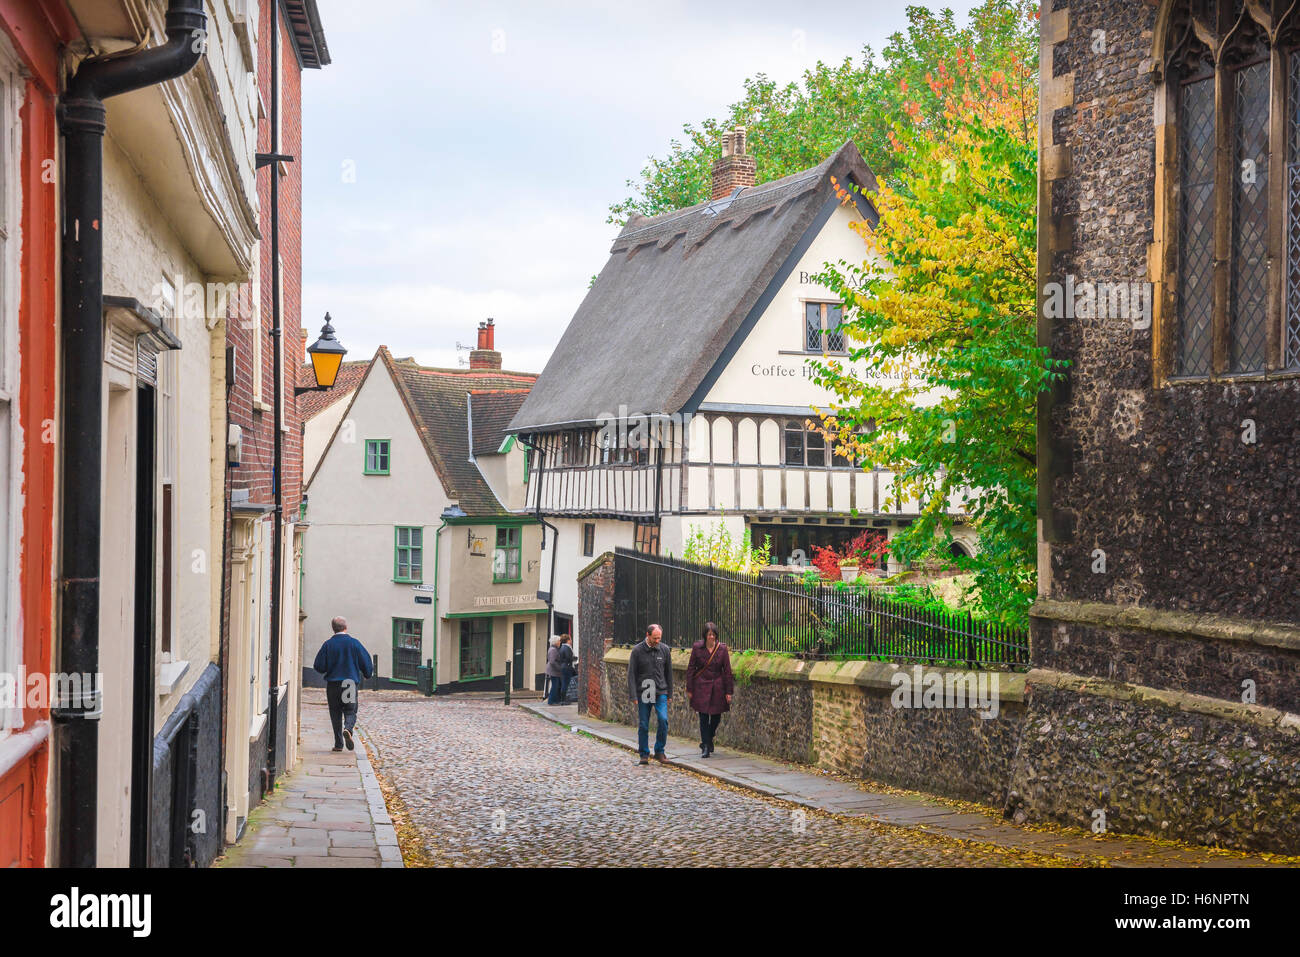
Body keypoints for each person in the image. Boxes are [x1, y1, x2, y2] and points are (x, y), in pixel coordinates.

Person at [312, 617, 373, 752]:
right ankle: (348, 729)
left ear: (333, 628)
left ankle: (338, 744)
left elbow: (318, 665)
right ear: (346, 627)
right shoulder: (354, 644)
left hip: (333, 684)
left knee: (335, 713)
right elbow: (366, 662)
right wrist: (368, 673)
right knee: (350, 711)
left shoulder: (328, 644)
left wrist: (328, 668)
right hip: (349, 683)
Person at [685, 621, 734, 758]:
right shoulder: (697, 648)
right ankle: (705, 746)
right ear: (705, 635)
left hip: (718, 687)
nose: (711, 637)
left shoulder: (722, 649)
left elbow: (727, 671)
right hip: (701, 686)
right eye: (709, 634)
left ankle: (709, 737)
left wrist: (728, 691)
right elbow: (691, 669)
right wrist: (690, 688)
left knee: (716, 717)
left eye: (713, 635)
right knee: (703, 717)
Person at [627, 623, 672, 766]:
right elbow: (631, 674)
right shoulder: (637, 651)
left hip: (660, 691)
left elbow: (669, 673)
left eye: (659, 638)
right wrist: (633, 695)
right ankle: (644, 754)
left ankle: (660, 751)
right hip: (644, 691)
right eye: (655, 638)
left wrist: (669, 693)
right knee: (644, 724)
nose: (657, 641)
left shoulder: (664, 650)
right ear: (648, 635)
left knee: (663, 720)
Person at [544, 636, 563, 704]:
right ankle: (551, 701)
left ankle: (554, 700)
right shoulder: (553, 650)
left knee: (556, 685)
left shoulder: (554, 649)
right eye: (559, 641)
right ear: (556, 642)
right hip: (553, 671)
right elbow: (552, 661)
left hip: (554, 671)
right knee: (555, 686)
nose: (560, 642)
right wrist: (559, 668)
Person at [558, 635, 577, 701]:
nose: (571, 640)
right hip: (566, 667)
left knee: (564, 683)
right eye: (570, 639)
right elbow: (568, 657)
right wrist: (575, 658)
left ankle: (563, 699)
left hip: (563, 667)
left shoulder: (562, 647)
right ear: (567, 640)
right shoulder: (567, 647)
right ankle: (563, 700)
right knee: (565, 683)